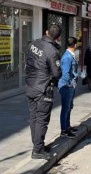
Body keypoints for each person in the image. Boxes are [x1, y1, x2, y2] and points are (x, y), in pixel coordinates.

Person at [25, 24, 62, 160]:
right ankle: (38, 150)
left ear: (46, 32)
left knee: (33, 118)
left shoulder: (33, 43)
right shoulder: (52, 51)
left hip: (30, 85)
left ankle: (38, 145)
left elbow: (27, 61)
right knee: (42, 119)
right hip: (43, 88)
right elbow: (56, 73)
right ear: (58, 37)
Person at [58, 37, 79, 139]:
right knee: (65, 108)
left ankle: (68, 126)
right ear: (75, 45)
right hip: (66, 86)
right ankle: (64, 130)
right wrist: (70, 84)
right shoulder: (67, 57)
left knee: (69, 107)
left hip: (70, 85)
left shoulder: (70, 55)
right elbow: (66, 73)